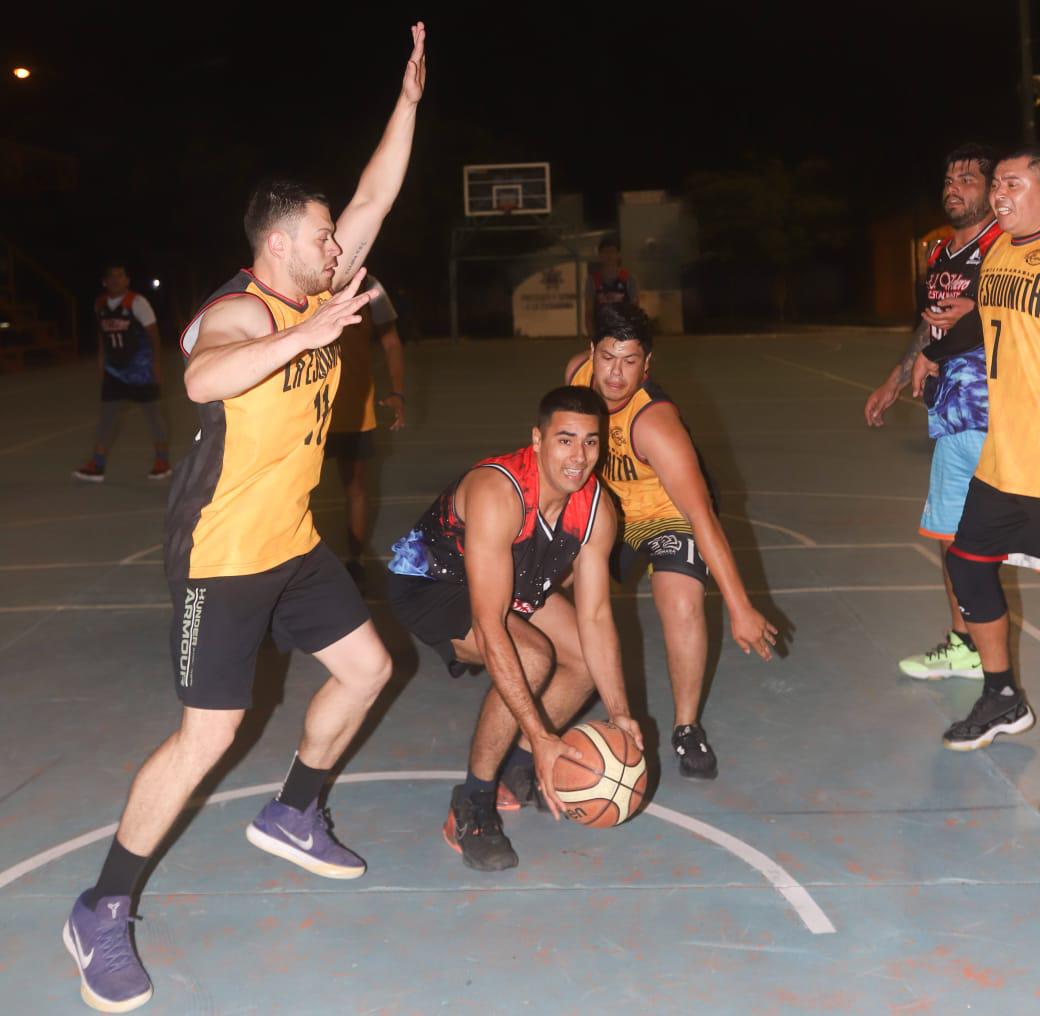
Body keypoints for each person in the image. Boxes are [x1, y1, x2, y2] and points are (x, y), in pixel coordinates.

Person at [61, 24, 426, 1013]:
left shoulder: (317, 275)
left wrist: (406, 102)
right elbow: (203, 371)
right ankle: (100, 906)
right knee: (205, 734)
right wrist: (306, 331)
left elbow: (374, 196)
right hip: (222, 557)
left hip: (293, 544)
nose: (336, 246)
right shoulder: (243, 310)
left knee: (368, 667)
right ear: (277, 245)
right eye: (320, 238)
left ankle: (293, 810)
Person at [387, 386, 643, 872]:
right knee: (533, 657)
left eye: (591, 442)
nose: (579, 456)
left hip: (510, 574)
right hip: (432, 581)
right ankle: (474, 802)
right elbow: (490, 625)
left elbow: (595, 617)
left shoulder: (596, 509)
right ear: (537, 439)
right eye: (565, 440)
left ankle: (520, 771)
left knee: (584, 659)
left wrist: (621, 711)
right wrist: (544, 733)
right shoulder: (498, 492)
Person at [567, 302, 777, 780]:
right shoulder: (574, 379)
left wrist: (740, 605)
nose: (615, 374)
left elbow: (701, 517)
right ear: (590, 353)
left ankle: (687, 727)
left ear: (648, 364)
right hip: (607, 512)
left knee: (681, 601)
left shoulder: (655, 425)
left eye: (630, 361)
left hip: (666, 515)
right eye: (607, 357)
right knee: (549, 588)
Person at [864, 145, 1000, 681]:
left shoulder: (1003, 249)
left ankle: (976, 650)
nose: (953, 186)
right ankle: (964, 643)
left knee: (982, 535)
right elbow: (931, 326)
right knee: (951, 534)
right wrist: (893, 379)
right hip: (950, 412)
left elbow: (1002, 315)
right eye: (948, 178)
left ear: (992, 191)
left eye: (967, 178)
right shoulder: (944, 253)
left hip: (990, 411)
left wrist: (934, 352)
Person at [940, 146, 1040, 750]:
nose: (998, 193)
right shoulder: (999, 249)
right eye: (996, 183)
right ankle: (1002, 694)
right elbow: (986, 315)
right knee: (967, 565)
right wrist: (930, 354)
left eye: (1012, 183)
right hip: (1005, 459)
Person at [326, 273, 406, 586]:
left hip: (354, 406)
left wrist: (398, 392)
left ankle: (354, 562)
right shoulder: (305, 278)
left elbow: (391, 342)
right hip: (307, 409)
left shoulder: (372, 286)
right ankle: (289, 566)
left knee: (355, 485)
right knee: (294, 487)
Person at [73, 264, 171, 482]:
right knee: (107, 418)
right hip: (114, 370)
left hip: (141, 369)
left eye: (120, 276)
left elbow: (153, 335)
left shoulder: (137, 303)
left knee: (154, 416)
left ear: (127, 280)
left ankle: (162, 461)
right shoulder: (100, 304)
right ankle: (97, 465)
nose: (116, 280)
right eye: (111, 277)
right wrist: (101, 359)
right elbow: (102, 334)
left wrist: (156, 364)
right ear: (104, 282)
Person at [584, 235, 639, 337]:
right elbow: (589, 313)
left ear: (618, 255)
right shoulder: (593, 280)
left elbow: (635, 310)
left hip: (624, 333)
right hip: (601, 333)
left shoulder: (629, 279)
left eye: (612, 252)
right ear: (600, 255)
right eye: (605, 252)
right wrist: (592, 337)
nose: (609, 255)